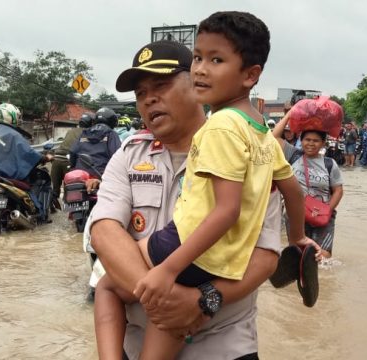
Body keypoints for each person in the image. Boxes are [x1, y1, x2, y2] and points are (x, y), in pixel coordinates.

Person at [93, 12, 314, 359]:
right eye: (141, 93)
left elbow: (266, 257)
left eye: (161, 86)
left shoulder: (244, 148)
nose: (149, 99)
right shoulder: (129, 154)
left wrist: (201, 299)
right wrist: (165, 300)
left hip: (223, 345)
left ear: (192, 84)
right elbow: (104, 232)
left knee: (108, 285)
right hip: (137, 339)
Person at [273, 107, 344, 259]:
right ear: (301, 141)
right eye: (307, 140)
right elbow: (272, 138)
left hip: (323, 216)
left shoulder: (329, 164)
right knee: (297, 255)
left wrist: (326, 210)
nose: (311, 144)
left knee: (323, 256)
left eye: (316, 140)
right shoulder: (293, 155)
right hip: (295, 214)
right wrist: (289, 115)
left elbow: (338, 190)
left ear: (323, 143)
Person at [49, 112, 92, 210]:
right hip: (67, 160)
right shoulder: (87, 133)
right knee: (70, 186)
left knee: (55, 187)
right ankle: (72, 211)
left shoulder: (71, 131)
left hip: (56, 159)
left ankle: (50, 206)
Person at [69, 107, 122, 177]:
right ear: (112, 121)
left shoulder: (84, 133)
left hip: (80, 174)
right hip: (100, 175)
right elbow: (117, 156)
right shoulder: (111, 134)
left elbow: (72, 151)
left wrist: (73, 167)